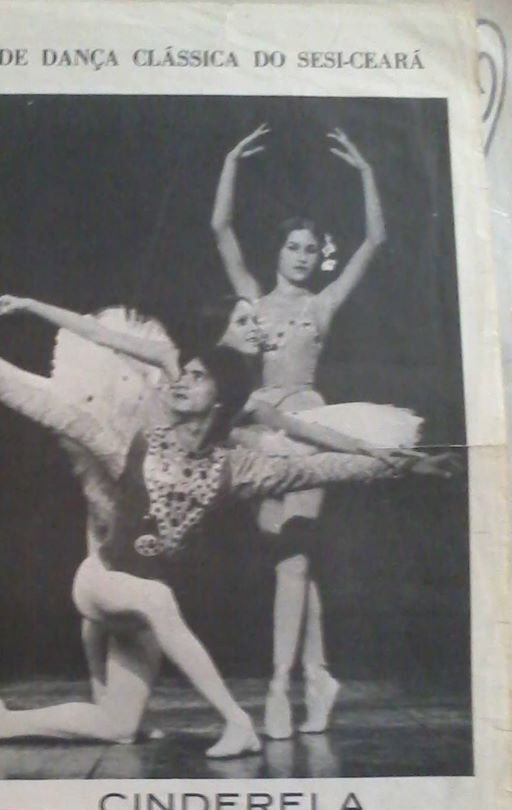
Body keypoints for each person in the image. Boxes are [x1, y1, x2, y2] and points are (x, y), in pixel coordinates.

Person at [0, 304, 447, 758]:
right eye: (182, 374)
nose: (180, 381)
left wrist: (407, 465)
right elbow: (9, 379)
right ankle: (237, 720)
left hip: (140, 615)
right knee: (158, 597)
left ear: (222, 400)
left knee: (117, 726)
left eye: (196, 377)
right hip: (101, 583)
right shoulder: (131, 446)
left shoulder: (237, 468)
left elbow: (322, 468)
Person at [211, 125, 391, 738]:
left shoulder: (323, 305)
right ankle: (319, 675)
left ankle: (279, 687)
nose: (302, 256)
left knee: (292, 558)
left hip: (310, 426)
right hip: (261, 429)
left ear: (319, 258)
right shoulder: (253, 300)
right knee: (290, 556)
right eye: (294, 247)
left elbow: (375, 240)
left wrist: (366, 173)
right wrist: (231, 161)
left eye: (311, 250)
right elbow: (220, 229)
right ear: (279, 252)